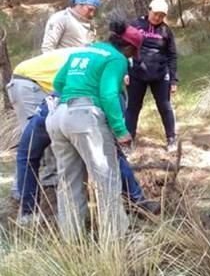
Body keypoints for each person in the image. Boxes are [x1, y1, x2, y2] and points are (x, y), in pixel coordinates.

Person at [45, 20, 144, 240]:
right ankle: (116, 236)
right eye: (132, 52)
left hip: (58, 116)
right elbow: (108, 94)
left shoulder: (86, 50)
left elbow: (58, 82)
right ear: (128, 48)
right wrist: (120, 130)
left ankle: (72, 237)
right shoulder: (116, 59)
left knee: (69, 180)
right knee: (106, 175)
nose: (130, 57)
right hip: (85, 118)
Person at [16, 96, 159, 224]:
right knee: (112, 157)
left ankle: (30, 215)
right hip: (78, 117)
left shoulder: (73, 74)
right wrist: (120, 134)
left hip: (50, 111)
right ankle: (136, 205)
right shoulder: (113, 84)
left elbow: (58, 82)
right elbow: (113, 115)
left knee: (27, 157)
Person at [6, 48, 81, 198]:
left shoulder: (85, 53)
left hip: (31, 82)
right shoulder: (93, 60)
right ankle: (22, 191)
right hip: (29, 84)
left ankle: (50, 181)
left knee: (47, 133)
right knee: (34, 140)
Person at [126, 0, 179, 152]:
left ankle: (171, 138)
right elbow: (123, 49)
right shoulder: (135, 26)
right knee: (133, 108)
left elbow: (172, 55)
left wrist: (173, 80)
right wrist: (124, 72)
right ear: (149, 10)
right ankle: (128, 141)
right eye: (156, 14)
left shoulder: (166, 31)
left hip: (160, 75)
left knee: (165, 106)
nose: (158, 18)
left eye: (162, 16)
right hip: (136, 73)